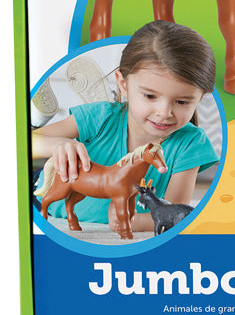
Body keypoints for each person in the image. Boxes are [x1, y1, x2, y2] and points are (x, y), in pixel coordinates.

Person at [32, 20, 219, 234]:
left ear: (200, 98)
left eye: (182, 102)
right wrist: (58, 144)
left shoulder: (191, 143)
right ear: (123, 84)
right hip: (41, 199)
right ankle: (36, 114)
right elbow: (23, 143)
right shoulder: (99, 116)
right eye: (150, 96)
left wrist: (130, 221)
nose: (164, 112)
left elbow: (176, 214)